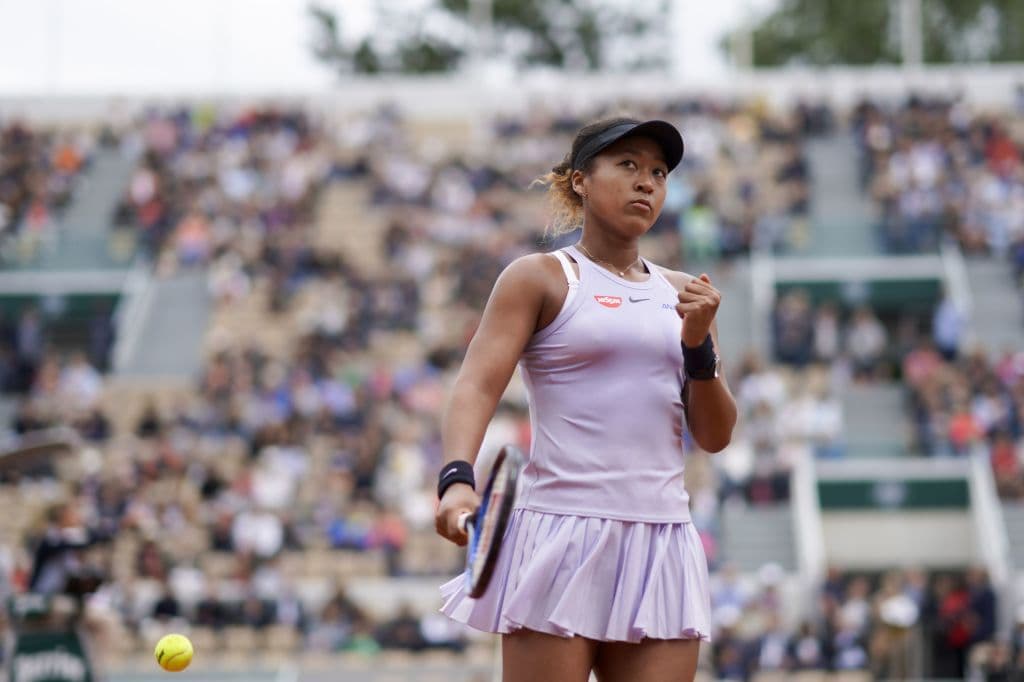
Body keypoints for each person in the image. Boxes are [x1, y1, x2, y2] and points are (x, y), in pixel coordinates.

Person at [434, 117, 737, 682]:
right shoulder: (540, 277)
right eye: (628, 166)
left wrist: (698, 345)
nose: (647, 182)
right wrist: (456, 482)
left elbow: (716, 437)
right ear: (580, 181)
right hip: (558, 531)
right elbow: (476, 384)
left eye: (659, 172)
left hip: (662, 537)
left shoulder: (686, 294)